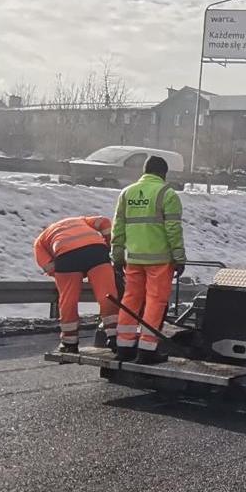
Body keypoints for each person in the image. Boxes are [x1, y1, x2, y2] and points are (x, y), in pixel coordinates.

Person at [111, 155, 186, 363]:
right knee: (155, 301)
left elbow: (117, 228)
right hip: (160, 260)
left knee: (130, 299)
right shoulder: (167, 194)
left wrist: (117, 255)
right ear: (163, 173)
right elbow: (173, 230)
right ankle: (147, 349)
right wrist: (179, 258)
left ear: (144, 171)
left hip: (134, 259)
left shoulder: (127, 193)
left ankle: (124, 347)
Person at [33, 214, 120, 353]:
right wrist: (108, 244)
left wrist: (66, 274)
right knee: (107, 294)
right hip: (97, 250)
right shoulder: (80, 220)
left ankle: (69, 343)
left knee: (68, 300)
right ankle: (114, 336)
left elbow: (48, 267)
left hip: (66, 255)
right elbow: (103, 221)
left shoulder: (40, 240)